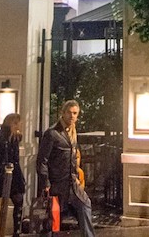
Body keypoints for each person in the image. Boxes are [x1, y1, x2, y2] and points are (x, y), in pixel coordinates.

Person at [37, 99, 94, 237]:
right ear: (63, 113)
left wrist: (78, 177)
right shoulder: (52, 133)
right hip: (57, 184)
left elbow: (74, 157)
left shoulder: (73, 133)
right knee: (53, 219)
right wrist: (46, 183)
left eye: (75, 113)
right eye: (69, 112)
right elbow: (42, 161)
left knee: (85, 206)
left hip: (72, 184)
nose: (72, 116)